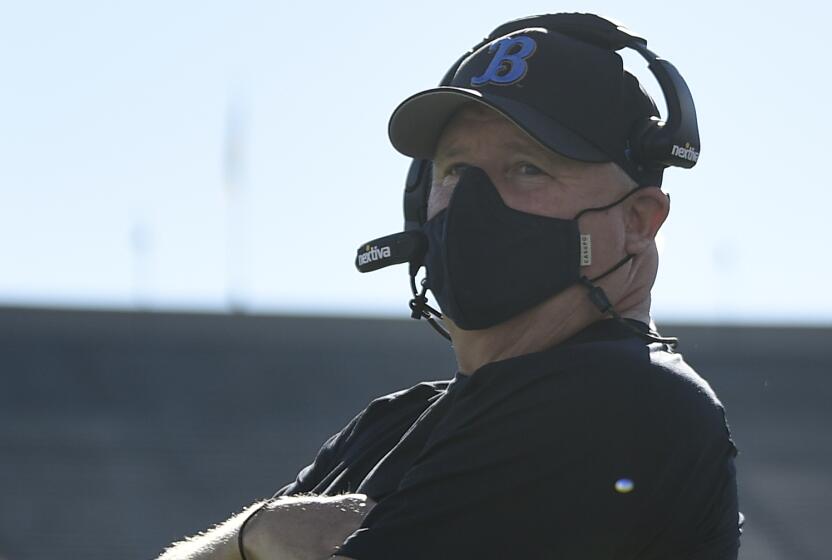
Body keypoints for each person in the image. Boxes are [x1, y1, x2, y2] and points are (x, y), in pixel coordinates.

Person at [157, 13, 742, 560]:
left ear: (637, 221)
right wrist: (257, 535)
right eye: (456, 170)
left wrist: (254, 542)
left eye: (527, 168)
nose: (471, 205)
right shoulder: (389, 424)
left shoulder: (625, 397)